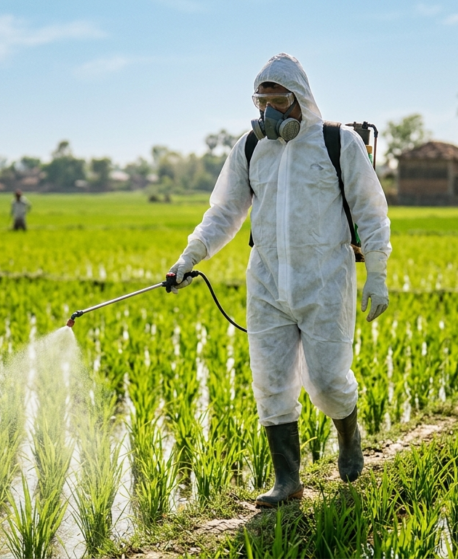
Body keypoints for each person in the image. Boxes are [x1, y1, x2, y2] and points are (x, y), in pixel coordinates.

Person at [166, 54, 391, 508]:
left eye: (279, 101)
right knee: (271, 384)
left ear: (300, 98)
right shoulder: (251, 147)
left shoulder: (338, 143)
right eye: (261, 102)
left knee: (328, 382)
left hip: (325, 282)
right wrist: (189, 257)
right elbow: (224, 212)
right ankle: (287, 480)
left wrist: (377, 273)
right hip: (267, 284)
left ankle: (348, 434)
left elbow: (370, 210)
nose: (269, 111)